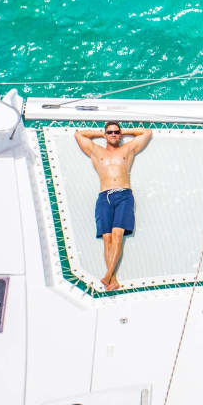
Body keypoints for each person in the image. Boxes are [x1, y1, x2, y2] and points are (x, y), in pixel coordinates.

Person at [74, 122, 152, 291]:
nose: (114, 134)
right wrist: (101, 133)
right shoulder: (96, 151)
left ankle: (107, 275)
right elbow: (79, 134)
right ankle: (113, 279)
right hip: (104, 196)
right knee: (107, 238)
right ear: (105, 134)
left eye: (117, 132)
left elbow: (146, 132)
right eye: (110, 132)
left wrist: (125, 131)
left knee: (117, 235)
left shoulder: (127, 150)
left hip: (124, 194)